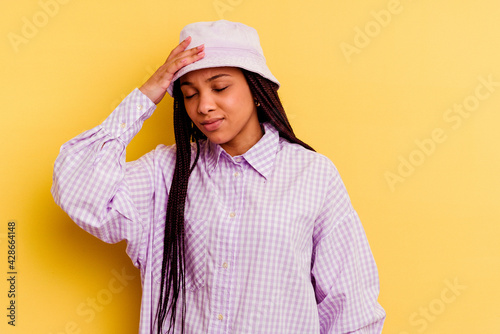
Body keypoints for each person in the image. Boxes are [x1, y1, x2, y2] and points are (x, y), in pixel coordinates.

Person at [52, 20, 385, 334]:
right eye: (189, 93)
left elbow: (350, 303)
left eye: (220, 87)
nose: (203, 106)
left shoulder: (313, 174)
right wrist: (147, 94)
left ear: (256, 89)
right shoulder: (165, 173)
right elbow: (78, 188)